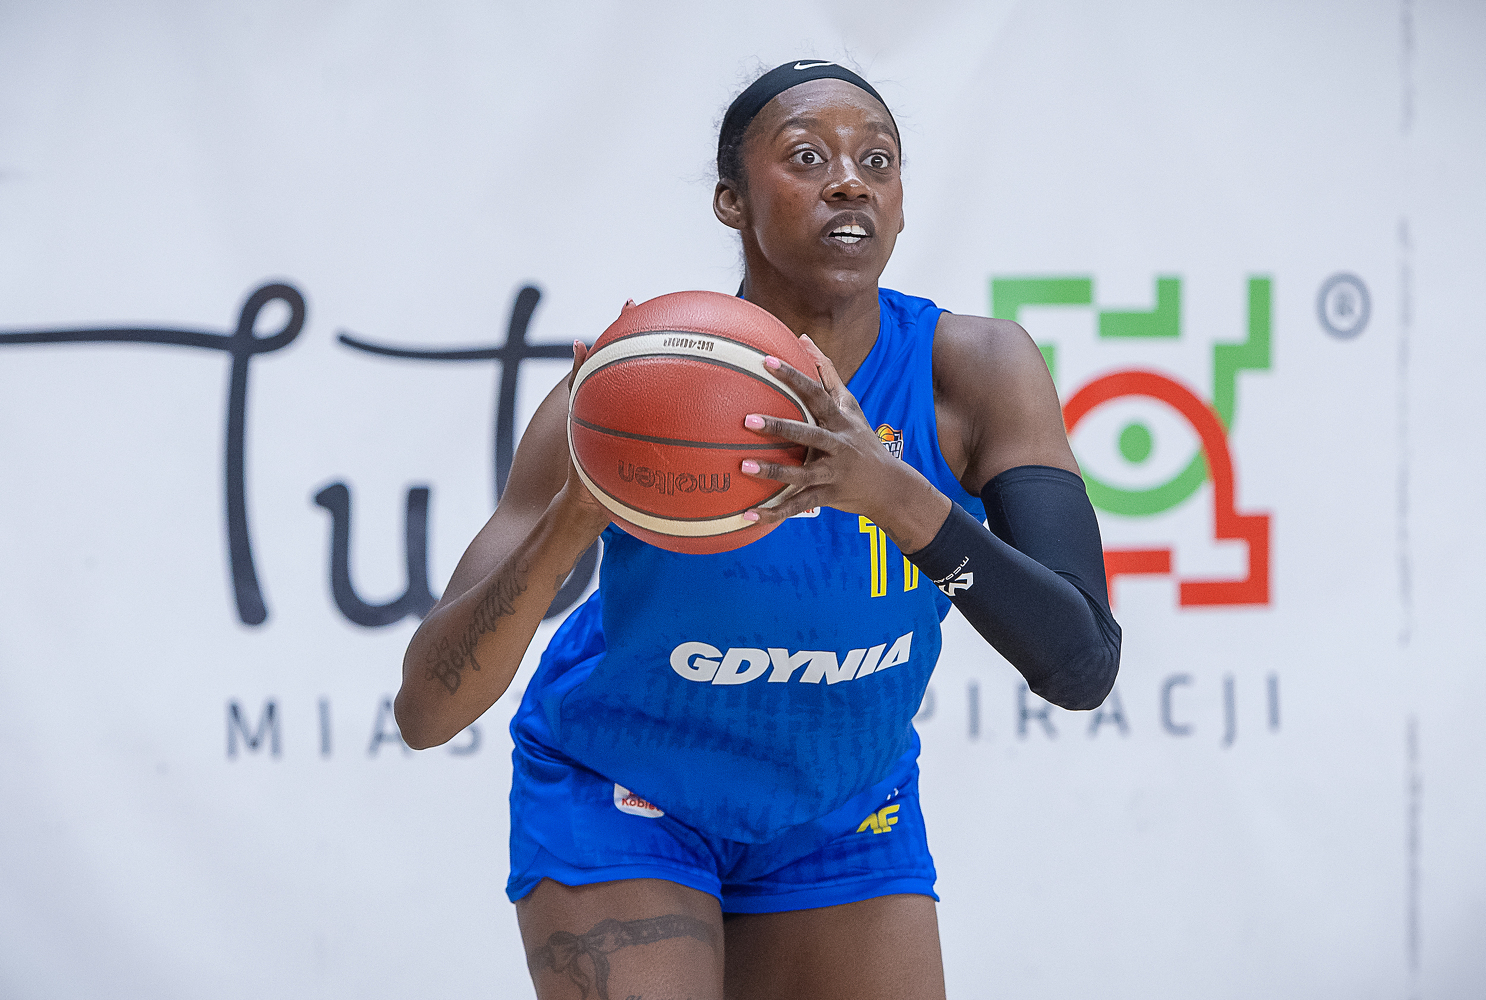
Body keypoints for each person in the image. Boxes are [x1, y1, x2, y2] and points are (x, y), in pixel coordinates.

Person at [394, 60, 1121, 1000]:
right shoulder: (633, 389)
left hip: (842, 802)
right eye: (808, 157)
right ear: (731, 202)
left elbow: (1080, 665)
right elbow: (426, 713)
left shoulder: (974, 371)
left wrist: (890, 495)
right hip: (623, 790)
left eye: (878, 160)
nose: (850, 181)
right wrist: (574, 516)